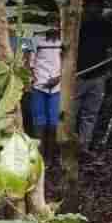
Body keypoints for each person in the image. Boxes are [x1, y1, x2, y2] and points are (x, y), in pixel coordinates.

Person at [75, 2, 112, 151]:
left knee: (90, 114)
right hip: (76, 76)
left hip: (98, 77)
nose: (93, 10)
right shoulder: (78, 26)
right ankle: (67, 147)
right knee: (70, 114)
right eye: (90, 7)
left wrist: (111, 70)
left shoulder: (107, 27)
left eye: (96, 7)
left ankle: (83, 147)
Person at [28, 24, 64, 164]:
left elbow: (68, 63)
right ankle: (40, 158)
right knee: (39, 123)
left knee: (53, 124)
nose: (53, 27)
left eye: (56, 24)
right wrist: (32, 80)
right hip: (39, 86)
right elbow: (28, 63)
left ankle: (50, 157)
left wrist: (58, 78)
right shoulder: (34, 40)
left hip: (57, 87)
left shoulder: (64, 42)